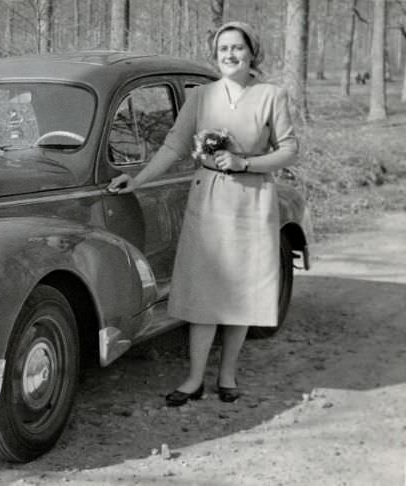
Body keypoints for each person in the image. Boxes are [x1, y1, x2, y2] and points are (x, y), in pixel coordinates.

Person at [108, 21, 298, 406]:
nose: (230, 55)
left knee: (240, 292)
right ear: (216, 55)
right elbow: (173, 146)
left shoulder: (271, 96)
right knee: (204, 292)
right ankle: (194, 379)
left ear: (251, 53)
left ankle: (227, 375)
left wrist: (245, 162)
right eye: (223, 49)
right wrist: (138, 180)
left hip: (251, 198)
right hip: (208, 199)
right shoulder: (201, 97)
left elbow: (289, 149)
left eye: (237, 48)